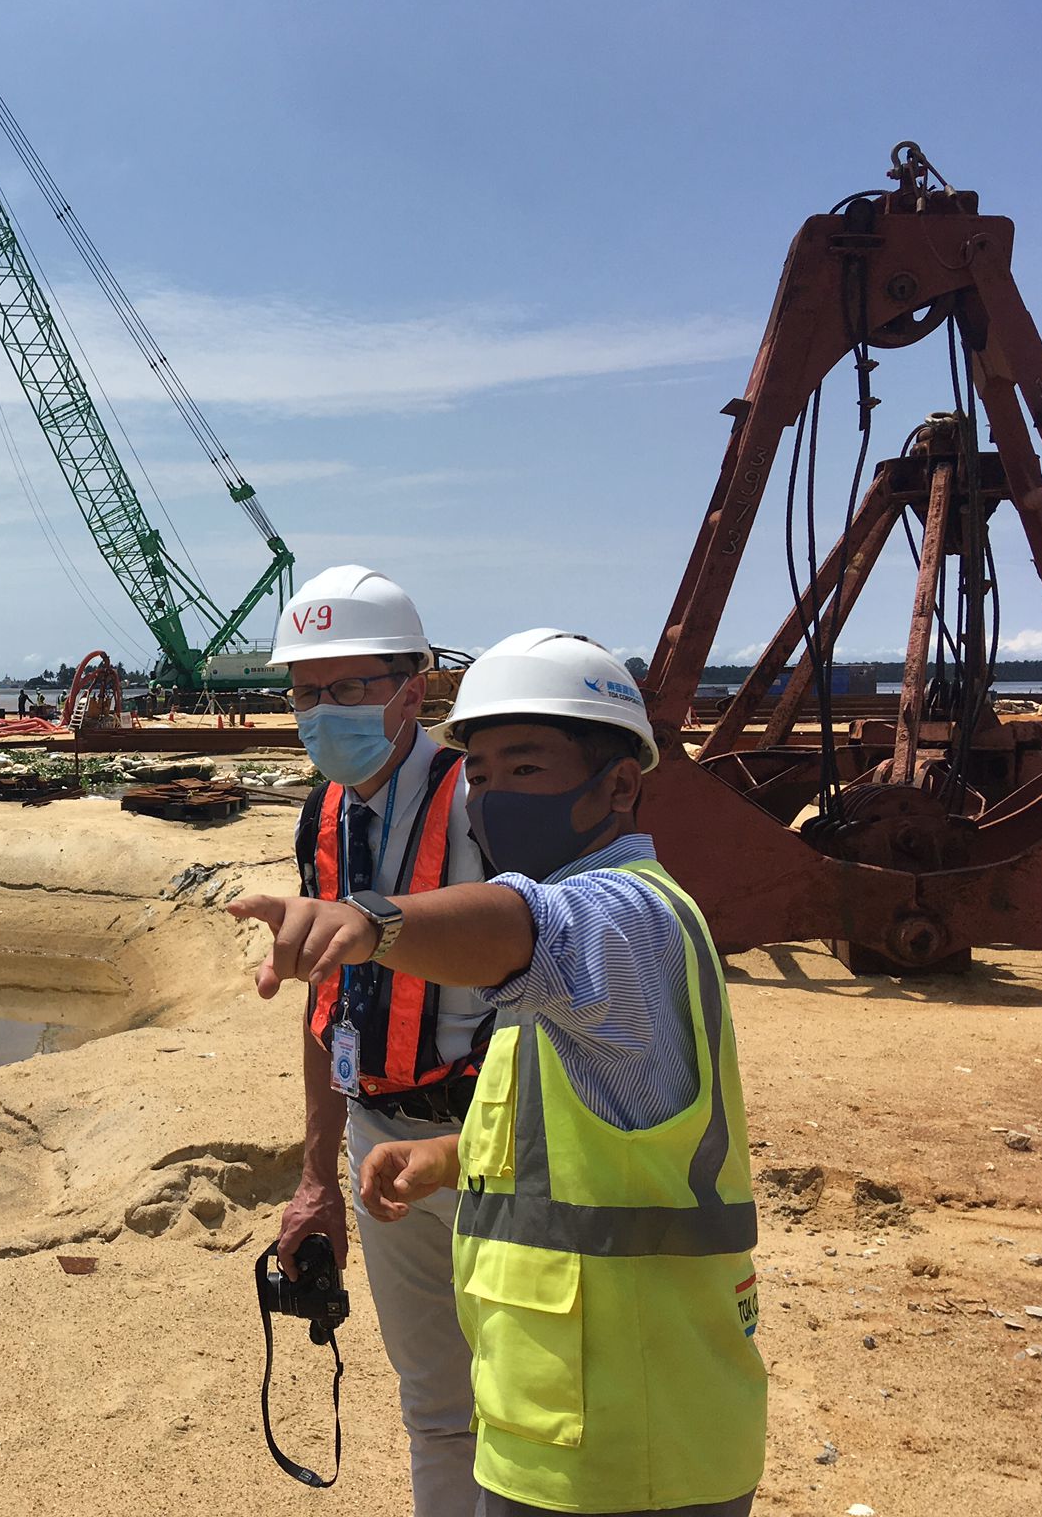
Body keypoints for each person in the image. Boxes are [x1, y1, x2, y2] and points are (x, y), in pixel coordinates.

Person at [233, 629, 765, 1517]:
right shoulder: (573, 965)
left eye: (525, 771)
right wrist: (452, 1155)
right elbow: (583, 1127)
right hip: (567, 1435)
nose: (489, 797)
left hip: (631, 1446)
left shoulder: (623, 916)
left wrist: (373, 922)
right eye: (477, 775)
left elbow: (522, 925)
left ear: (620, 784)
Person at [249, 564, 490, 1517]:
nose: (323, 712)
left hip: (485, 1137)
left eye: (349, 687)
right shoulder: (323, 814)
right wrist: (318, 1177)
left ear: (415, 686)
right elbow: (323, 1006)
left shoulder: (484, 800)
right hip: (374, 1134)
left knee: (536, 1399)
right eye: (307, 692)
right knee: (434, 1403)